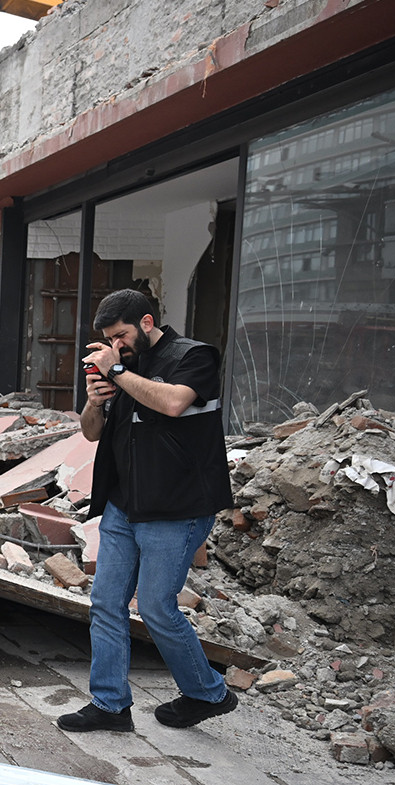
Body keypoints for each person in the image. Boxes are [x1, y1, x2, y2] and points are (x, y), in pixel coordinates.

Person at [57, 288, 237, 734]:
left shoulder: (194, 356)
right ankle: (110, 705)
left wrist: (115, 370)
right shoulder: (125, 369)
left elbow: (174, 403)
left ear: (147, 322)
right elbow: (92, 432)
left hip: (177, 509)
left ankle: (207, 693)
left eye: (121, 336)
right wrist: (95, 399)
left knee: (157, 608)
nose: (116, 346)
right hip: (124, 506)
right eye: (109, 340)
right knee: (105, 603)